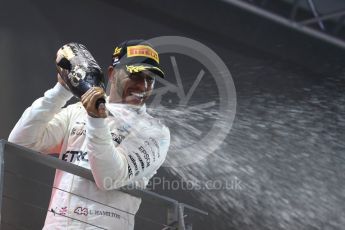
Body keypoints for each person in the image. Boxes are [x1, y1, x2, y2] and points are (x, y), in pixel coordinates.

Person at [8, 39, 170, 230]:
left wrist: (96, 118)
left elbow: (108, 177)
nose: (143, 86)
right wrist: (61, 90)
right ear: (112, 74)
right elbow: (20, 141)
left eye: (150, 79)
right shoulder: (77, 111)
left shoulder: (155, 132)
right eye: (135, 75)